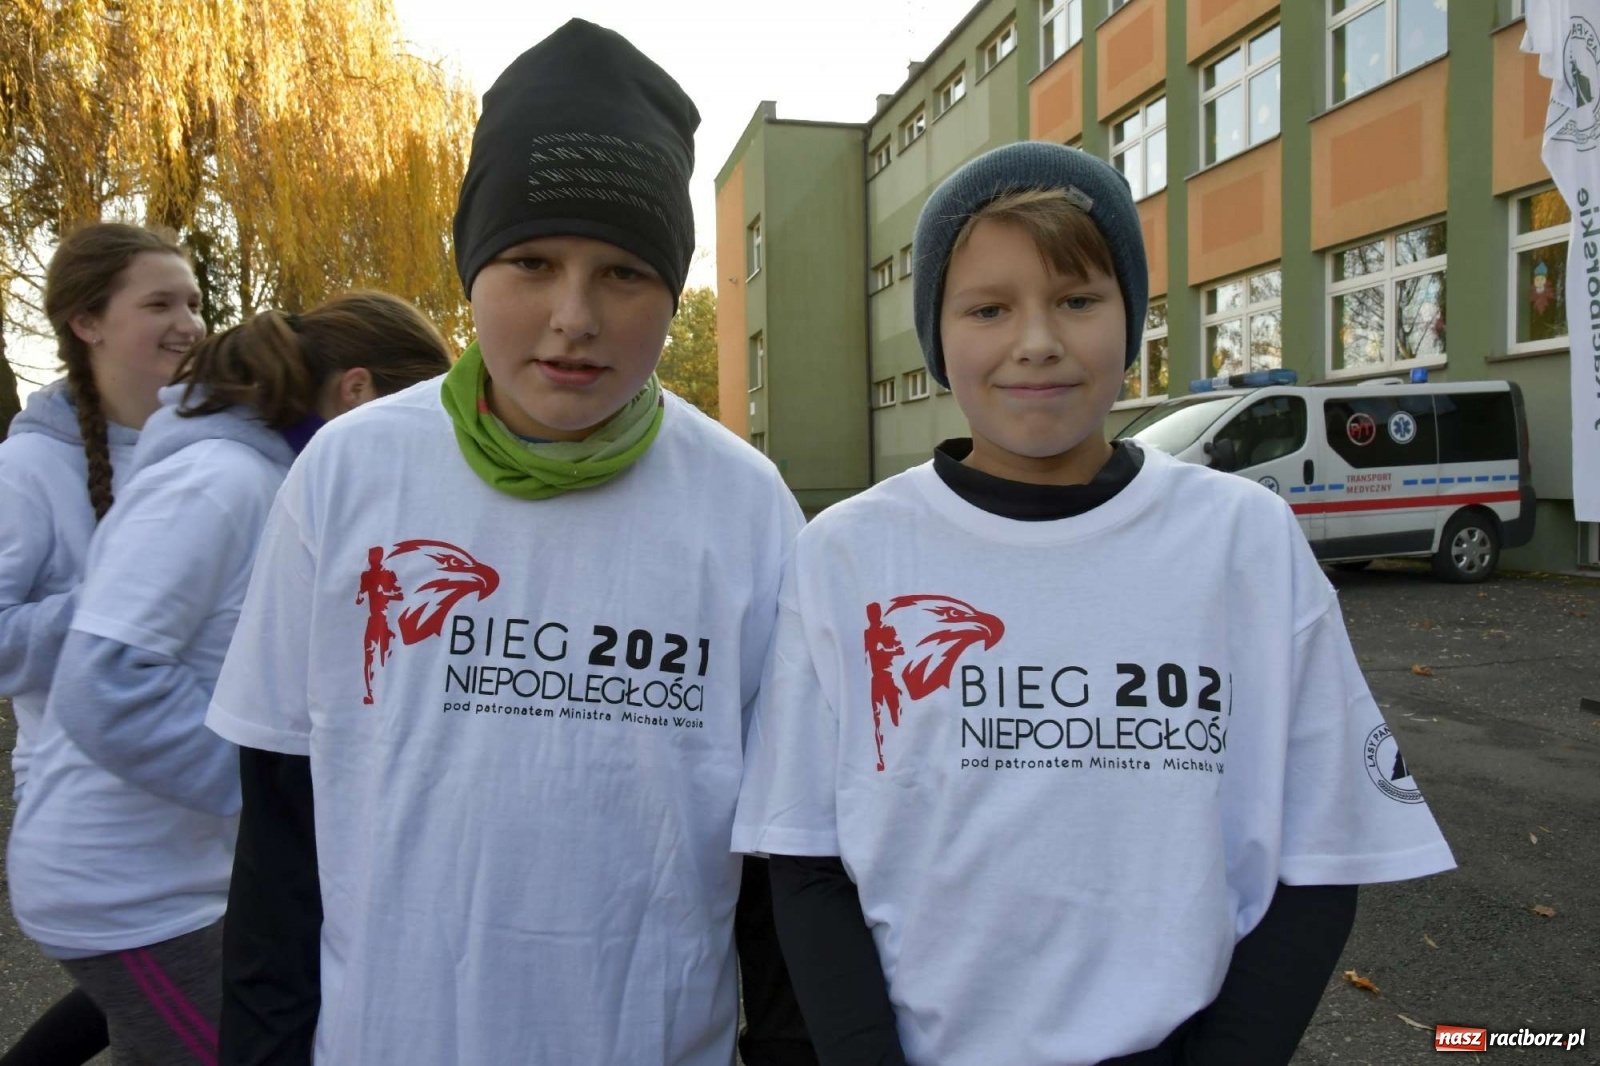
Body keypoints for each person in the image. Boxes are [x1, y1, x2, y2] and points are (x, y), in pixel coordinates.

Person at [732, 142, 1457, 1066]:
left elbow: (1323, 857)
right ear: (936, 340)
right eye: (989, 308)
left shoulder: (1243, 540)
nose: (1037, 339)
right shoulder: (846, 554)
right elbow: (805, 860)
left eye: (1077, 300)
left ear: (1132, 319)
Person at [204, 19, 813, 1066]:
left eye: (623, 273)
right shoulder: (349, 477)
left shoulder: (747, 509)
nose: (572, 316)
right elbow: (279, 830)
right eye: (532, 261)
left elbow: (777, 860)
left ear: (670, 290)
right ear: (473, 265)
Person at [7, 291, 450, 1065]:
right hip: (133, 891)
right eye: (419, 419)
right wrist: (285, 792)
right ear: (357, 392)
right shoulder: (222, 481)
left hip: (184, 878)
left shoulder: (279, 479)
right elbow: (105, 681)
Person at [0, 221, 205, 1066]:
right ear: (88, 323)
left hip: (204, 838)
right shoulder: (29, 470)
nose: (189, 321)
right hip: (107, 842)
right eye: (159, 302)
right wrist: (123, 601)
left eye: (194, 301)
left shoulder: (205, 446)